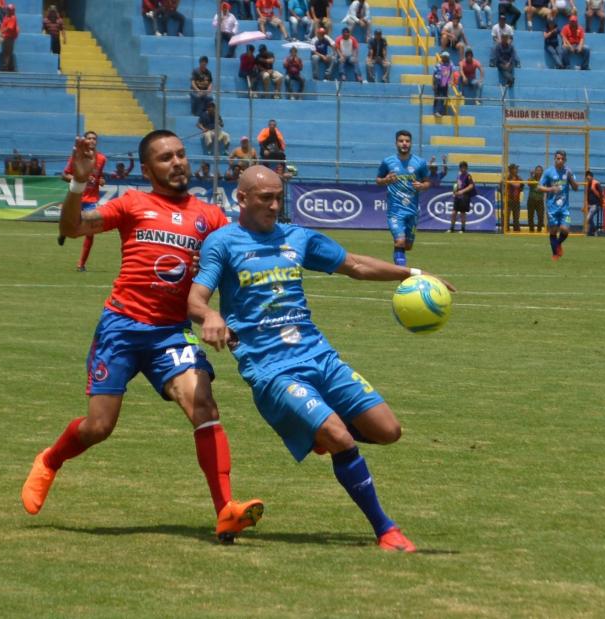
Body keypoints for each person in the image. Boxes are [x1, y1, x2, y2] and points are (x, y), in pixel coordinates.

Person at [188, 165, 456, 553]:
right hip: (271, 369)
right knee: (339, 436)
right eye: (266, 198)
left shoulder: (297, 237)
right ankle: (386, 530)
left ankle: (315, 429)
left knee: (388, 430)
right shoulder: (223, 243)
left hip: (319, 356)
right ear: (241, 199)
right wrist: (211, 315)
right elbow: (195, 298)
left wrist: (410, 272)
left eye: (279, 197)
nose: (275, 205)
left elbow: (355, 265)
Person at [21, 129, 265, 543]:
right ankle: (51, 458)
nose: (178, 163)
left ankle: (226, 510)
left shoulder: (210, 216)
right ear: (147, 168)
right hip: (121, 328)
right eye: (166, 158)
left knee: (203, 404)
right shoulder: (133, 203)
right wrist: (79, 183)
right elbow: (74, 227)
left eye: (181, 155)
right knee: (99, 427)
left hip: (170, 334)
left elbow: (241, 260)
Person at [376, 130, 430, 266]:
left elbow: (427, 182)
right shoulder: (388, 162)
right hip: (395, 212)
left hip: (412, 211)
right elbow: (378, 180)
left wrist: (422, 186)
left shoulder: (420, 163)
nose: (404, 143)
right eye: (401, 141)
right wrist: (386, 180)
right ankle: (402, 274)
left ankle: (400, 263)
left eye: (407, 141)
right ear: (396, 143)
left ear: (411, 143)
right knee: (400, 241)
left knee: (407, 245)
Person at [60, 130, 106, 271]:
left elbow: (98, 177)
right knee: (70, 222)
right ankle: (63, 233)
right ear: (85, 141)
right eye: (89, 138)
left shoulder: (101, 159)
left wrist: (101, 181)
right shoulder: (77, 156)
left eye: (94, 139)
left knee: (90, 232)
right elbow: (64, 175)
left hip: (91, 199)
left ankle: (81, 264)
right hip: (77, 196)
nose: (92, 141)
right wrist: (79, 179)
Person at [538, 150, 579, 260]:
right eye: (558, 158)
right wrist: (551, 188)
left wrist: (571, 179)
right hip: (552, 208)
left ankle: (558, 244)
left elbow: (576, 188)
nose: (560, 160)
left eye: (562, 159)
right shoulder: (548, 172)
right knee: (553, 231)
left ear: (565, 160)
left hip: (565, 208)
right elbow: (539, 187)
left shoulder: (568, 172)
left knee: (565, 230)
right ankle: (555, 254)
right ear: (555, 159)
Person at [449, 161, 475, 233]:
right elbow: (456, 184)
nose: (463, 169)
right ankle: (451, 228)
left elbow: (471, 186)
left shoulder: (468, 176)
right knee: (454, 212)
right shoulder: (458, 175)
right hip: (457, 197)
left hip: (464, 197)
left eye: (464, 167)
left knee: (462, 213)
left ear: (466, 168)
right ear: (460, 168)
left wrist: (462, 191)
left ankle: (463, 229)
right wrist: (455, 192)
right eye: (461, 167)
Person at [432, 51, 456, 117]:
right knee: (437, 97)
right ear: (442, 57)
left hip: (445, 82)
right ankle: (435, 111)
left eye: (446, 57)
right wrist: (433, 84)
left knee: (443, 97)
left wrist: (452, 80)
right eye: (444, 57)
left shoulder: (450, 64)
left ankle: (440, 112)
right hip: (438, 81)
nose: (445, 58)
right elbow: (434, 75)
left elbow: (452, 72)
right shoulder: (438, 64)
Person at [583, 169, 603, 236]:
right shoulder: (588, 184)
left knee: (588, 218)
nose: (587, 178)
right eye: (586, 177)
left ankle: (593, 230)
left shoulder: (596, 183)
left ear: (591, 176)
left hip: (596, 204)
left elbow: (601, 194)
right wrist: (587, 204)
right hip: (590, 205)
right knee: (590, 219)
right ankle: (592, 232)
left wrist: (601, 203)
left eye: (588, 176)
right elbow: (588, 195)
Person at [526, 164, 545, 232]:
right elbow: (528, 183)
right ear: (535, 171)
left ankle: (539, 230)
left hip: (540, 200)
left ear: (542, 171)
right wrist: (531, 175)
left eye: (540, 170)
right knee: (530, 216)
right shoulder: (532, 178)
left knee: (541, 216)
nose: (538, 172)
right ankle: (531, 230)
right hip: (531, 199)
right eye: (537, 170)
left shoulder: (544, 179)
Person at [0, 4, 19, 71]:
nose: (9, 11)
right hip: (5, 37)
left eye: (10, 10)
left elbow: (9, 28)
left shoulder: (13, 17)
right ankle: (11, 67)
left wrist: (1, 32)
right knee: (6, 52)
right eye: (8, 9)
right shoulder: (6, 17)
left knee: (7, 53)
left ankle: (5, 67)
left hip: (9, 37)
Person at [505, 163, 523, 232]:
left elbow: (520, 187)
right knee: (507, 216)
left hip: (516, 200)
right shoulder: (507, 178)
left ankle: (516, 229)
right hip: (509, 200)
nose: (516, 170)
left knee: (516, 216)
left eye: (516, 169)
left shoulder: (519, 178)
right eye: (515, 169)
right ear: (511, 170)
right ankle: (506, 229)